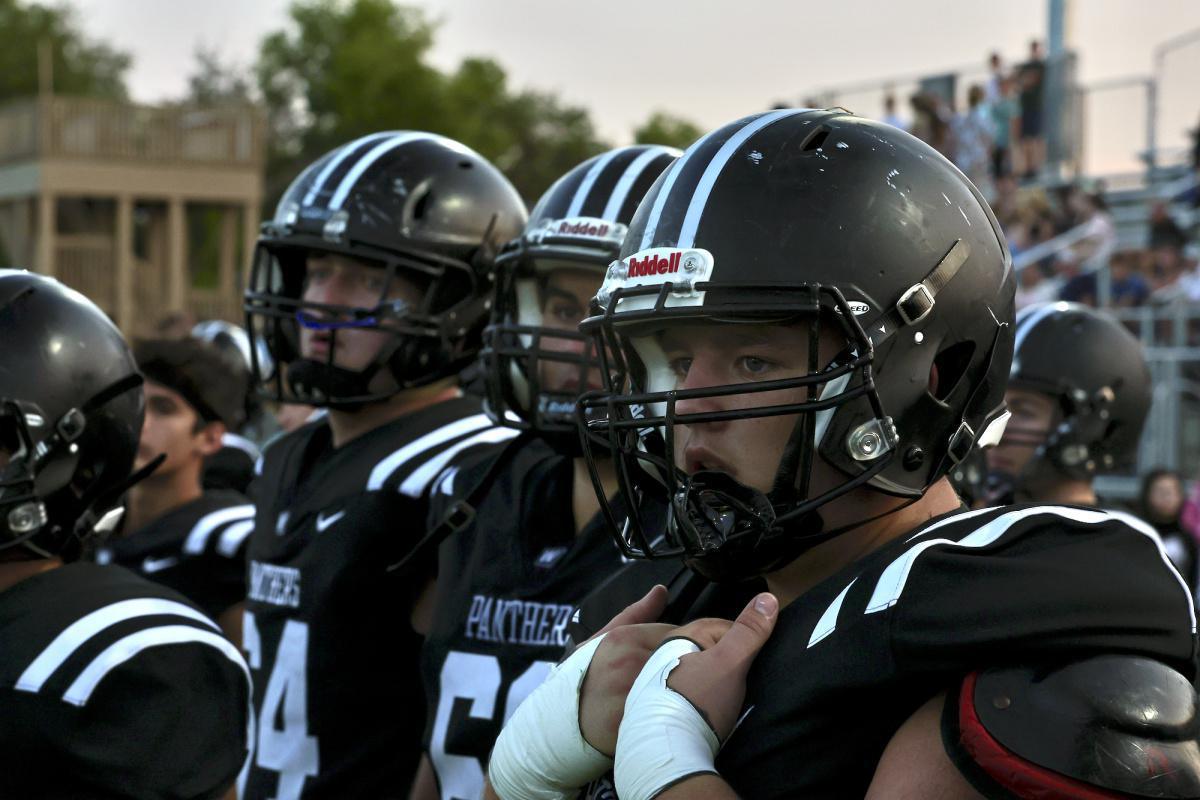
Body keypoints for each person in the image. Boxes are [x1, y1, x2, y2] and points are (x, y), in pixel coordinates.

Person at [485, 110, 1199, 800]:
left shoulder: (1003, 628)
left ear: (924, 380)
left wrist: (667, 773)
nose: (687, 406)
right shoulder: (668, 600)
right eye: (674, 361)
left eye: (753, 361)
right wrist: (526, 767)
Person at [239, 130, 527, 799]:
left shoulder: (468, 463)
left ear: (459, 307)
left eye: (370, 279)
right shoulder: (287, 454)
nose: (324, 301)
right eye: (317, 271)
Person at [411, 144, 681, 800]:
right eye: (562, 309)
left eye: (611, 307)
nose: (571, 342)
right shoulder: (476, 491)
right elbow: (441, 745)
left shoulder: (706, 525)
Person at [0, 270, 250, 798]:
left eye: (168, 408)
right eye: (149, 406)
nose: (151, 424)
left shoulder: (135, 659)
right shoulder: (116, 549)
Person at [93, 337, 253, 640]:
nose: (140, 421)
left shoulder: (220, 547)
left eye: (163, 409)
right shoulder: (89, 524)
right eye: (135, 402)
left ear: (210, 438)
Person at [985, 302, 1151, 507]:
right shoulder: (980, 519)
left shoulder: (1122, 531)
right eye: (993, 406)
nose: (995, 433)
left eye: (1024, 412)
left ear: (1099, 427)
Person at [1138, 468, 1199, 591]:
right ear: (1147, 494)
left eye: (1172, 492)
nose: (1167, 498)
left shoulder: (1187, 539)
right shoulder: (1137, 533)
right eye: (1161, 492)